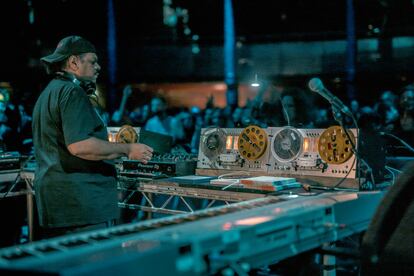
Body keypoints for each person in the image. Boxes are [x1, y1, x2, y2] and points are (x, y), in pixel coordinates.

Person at [32, 35, 153, 238]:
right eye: (93, 61)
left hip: (58, 200)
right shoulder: (72, 92)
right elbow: (80, 145)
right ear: (73, 62)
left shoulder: (49, 92)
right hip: (81, 204)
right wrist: (128, 149)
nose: (98, 67)